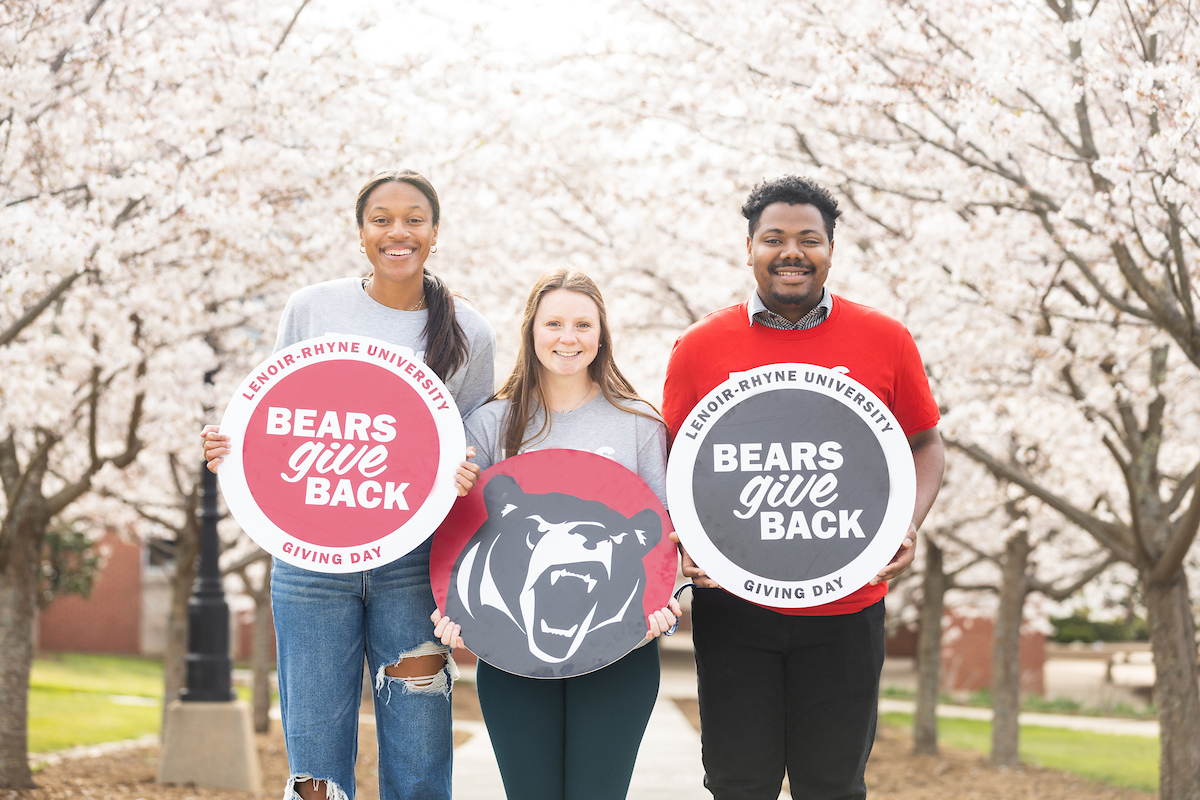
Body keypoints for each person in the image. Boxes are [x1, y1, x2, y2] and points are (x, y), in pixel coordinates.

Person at [201, 170, 496, 800]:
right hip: (310, 564)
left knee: (419, 752)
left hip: (413, 562)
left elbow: (475, 438)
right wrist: (231, 446)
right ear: (360, 232)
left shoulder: (470, 331)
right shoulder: (313, 307)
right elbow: (276, 413)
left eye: (414, 219)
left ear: (435, 233)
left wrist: (467, 471)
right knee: (314, 758)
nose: (398, 232)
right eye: (381, 219)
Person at [661, 176, 945, 800]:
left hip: (849, 605)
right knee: (739, 783)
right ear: (749, 249)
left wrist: (909, 521)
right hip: (734, 606)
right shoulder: (700, 347)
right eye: (775, 239)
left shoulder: (886, 339)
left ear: (831, 250)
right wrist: (679, 540)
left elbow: (925, 442)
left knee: (834, 785)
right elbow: (675, 461)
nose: (792, 251)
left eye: (808, 239)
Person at [432, 268, 681, 800]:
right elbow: (463, 532)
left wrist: (662, 604)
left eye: (582, 325)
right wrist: (452, 605)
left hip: (622, 651)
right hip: (511, 657)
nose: (568, 338)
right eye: (555, 324)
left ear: (601, 335)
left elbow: (663, 533)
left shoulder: (638, 423)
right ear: (532, 331)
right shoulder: (490, 423)